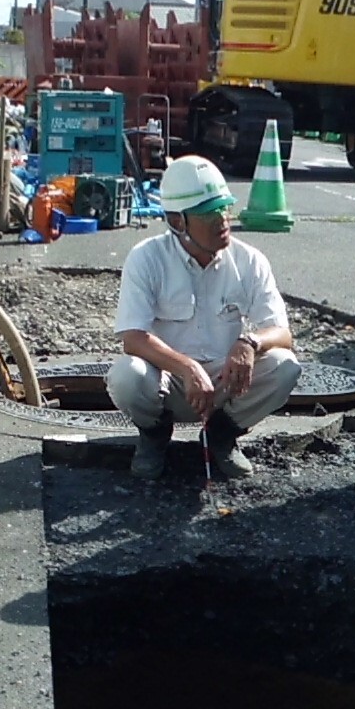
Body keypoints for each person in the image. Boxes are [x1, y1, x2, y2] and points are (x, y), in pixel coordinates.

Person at [110, 155, 302, 481]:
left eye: (225, 208)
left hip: (224, 383)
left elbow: (282, 332)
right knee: (127, 375)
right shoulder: (146, 258)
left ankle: (221, 436)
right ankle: (154, 437)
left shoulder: (249, 260)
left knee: (285, 366)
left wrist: (250, 341)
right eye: (209, 213)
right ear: (177, 221)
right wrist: (186, 366)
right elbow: (133, 338)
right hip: (169, 382)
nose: (223, 220)